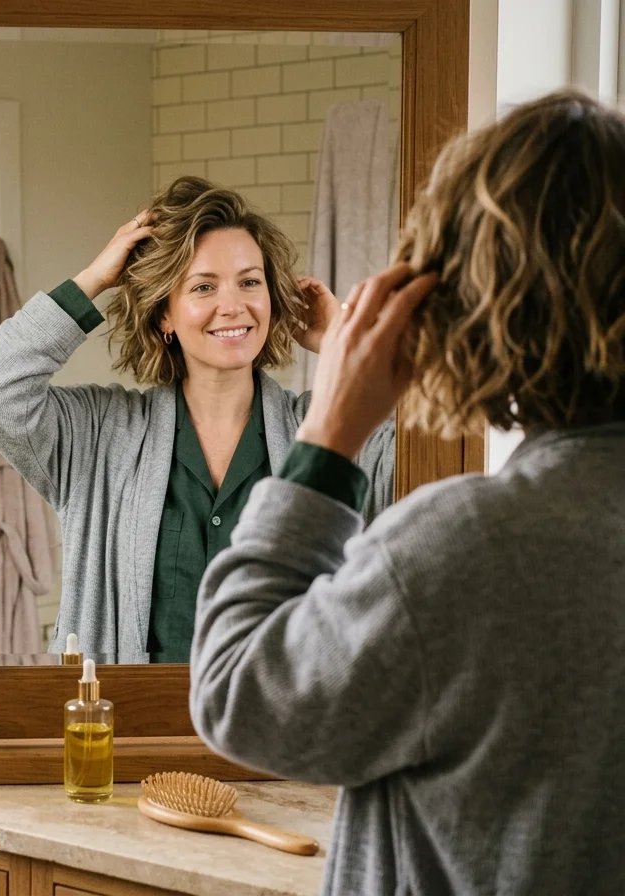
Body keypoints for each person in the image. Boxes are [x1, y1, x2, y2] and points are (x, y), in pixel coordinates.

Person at [189, 89, 625, 894]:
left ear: (464, 298)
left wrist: (329, 435)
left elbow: (237, 694)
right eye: (203, 288)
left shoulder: (471, 547)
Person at [0, 176, 395, 664]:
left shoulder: (333, 432)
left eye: (250, 282)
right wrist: (94, 279)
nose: (233, 306)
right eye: (203, 286)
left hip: (289, 714)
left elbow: (440, 446)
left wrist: (347, 345)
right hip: (129, 714)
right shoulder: (99, 436)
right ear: (165, 316)